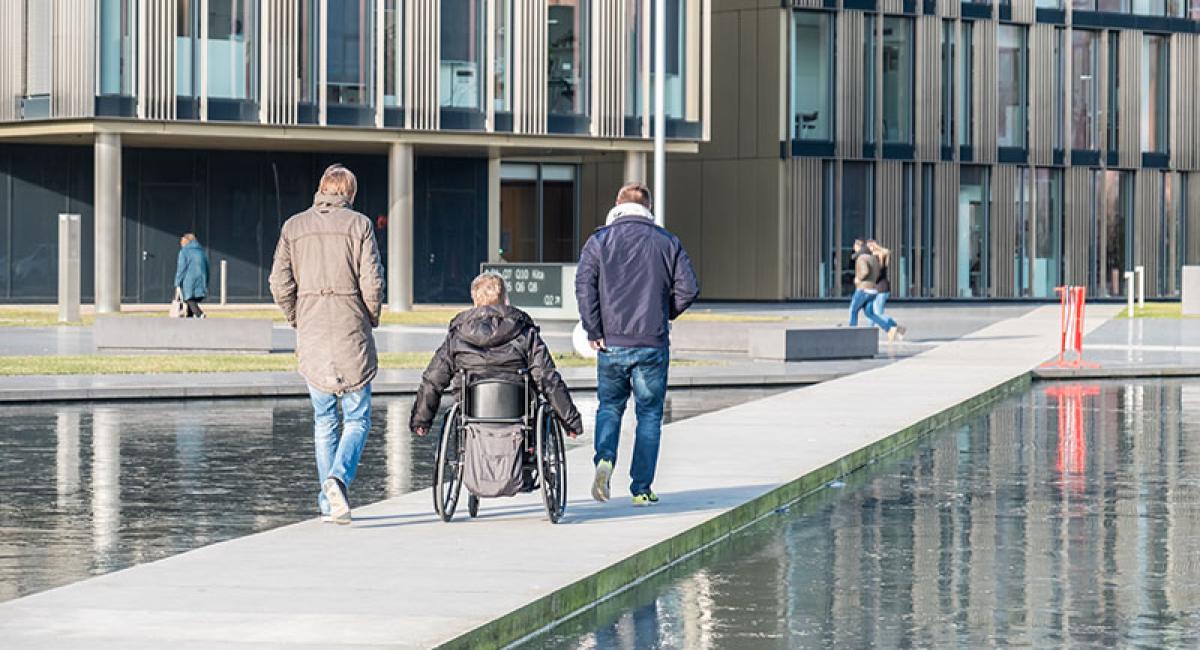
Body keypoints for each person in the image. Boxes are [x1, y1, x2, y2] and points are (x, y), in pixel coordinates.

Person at [269, 164, 384, 525]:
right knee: (357, 417)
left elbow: (279, 282)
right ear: (349, 193)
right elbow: (373, 282)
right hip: (350, 323)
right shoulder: (360, 225)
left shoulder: (294, 226)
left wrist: (296, 316)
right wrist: (371, 316)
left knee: (323, 420)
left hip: (313, 327)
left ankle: (327, 501)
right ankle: (338, 480)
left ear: (321, 189)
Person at [575, 182, 700, 507]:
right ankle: (641, 488)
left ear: (617, 204)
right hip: (652, 342)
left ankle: (604, 459)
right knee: (648, 415)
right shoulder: (667, 241)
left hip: (610, 341)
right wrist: (664, 313)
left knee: (610, 406)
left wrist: (594, 328)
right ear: (648, 207)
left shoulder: (599, 241)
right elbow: (689, 288)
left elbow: (584, 286)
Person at [409, 272, 584, 441]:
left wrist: (421, 420)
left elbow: (433, 379)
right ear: (504, 299)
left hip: (472, 415)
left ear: (475, 299)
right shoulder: (524, 333)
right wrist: (570, 421)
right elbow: (547, 378)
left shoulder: (458, 336)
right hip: (518, 416)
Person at [866, 240, 906, 341]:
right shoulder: (878, 260)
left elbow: (876, 276)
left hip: (880, 289)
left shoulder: (879, 261)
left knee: (877, 314)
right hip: (877, 290)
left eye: (870, 248)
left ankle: (896, 328)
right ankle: (869, 334)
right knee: (873, 313)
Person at [174, 233, 209, 318]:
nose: (181, 243)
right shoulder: (201, 251)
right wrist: (206, 280)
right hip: (201, 278)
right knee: (192, 298)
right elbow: (207, 267)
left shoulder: (184, 252)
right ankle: (189, 317)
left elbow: (181, 269)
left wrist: (177, 282)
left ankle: (199, 314)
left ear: (186, 241)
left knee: (189, 298)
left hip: (189, 279)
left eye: (182, 241)